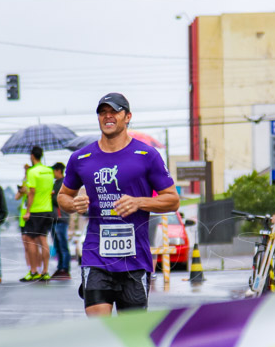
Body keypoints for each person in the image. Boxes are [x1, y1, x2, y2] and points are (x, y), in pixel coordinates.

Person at [57, 92, 178, 316]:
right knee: (99, 331)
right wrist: (74, 204)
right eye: (103, 113)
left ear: (128, 116)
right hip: (96, 256)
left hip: (135, 260)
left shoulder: (146, 155)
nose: (108, 116)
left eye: (114, 112)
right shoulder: (81, 158)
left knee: (130, 335)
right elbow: (63, 196)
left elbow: (172, 199)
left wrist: (139, 202)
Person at [20, 146, 54, 282]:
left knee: (31, 240)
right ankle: (45, 271)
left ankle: (34, 271)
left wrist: (28, 211)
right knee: (43, 239)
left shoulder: (32, 172)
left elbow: (32, 192)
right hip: (48, 209)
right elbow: (50, 191)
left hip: (35, 210)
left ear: (32, 156)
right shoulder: (49, 171)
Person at [50, 162, 72, 280]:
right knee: (57, 246)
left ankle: (65, 268)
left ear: (58, 170)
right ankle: (60, 268)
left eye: (54, 171)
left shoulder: (63, 183)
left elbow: (59, 200)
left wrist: (51, 196)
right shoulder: (55, 183)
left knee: (63, 245)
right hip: (54, 218)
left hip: (61, 218)